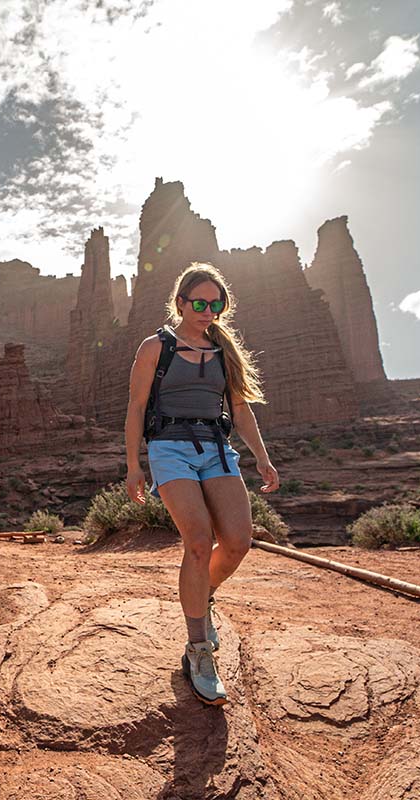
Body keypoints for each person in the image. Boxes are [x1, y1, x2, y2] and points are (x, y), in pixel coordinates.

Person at [125, 263, 279, 706]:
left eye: (217, 304)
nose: (208, 310)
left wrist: (262, 458)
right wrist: (134, 465)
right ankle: (198, 651)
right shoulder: (156, 347)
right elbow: (136, 408)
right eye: (199, 302)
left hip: (215, 446)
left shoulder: (224, 348)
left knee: (237, 542)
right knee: (198, 541)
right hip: (168, 448)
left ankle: (202, 593)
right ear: (180, 303)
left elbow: (241, 409)